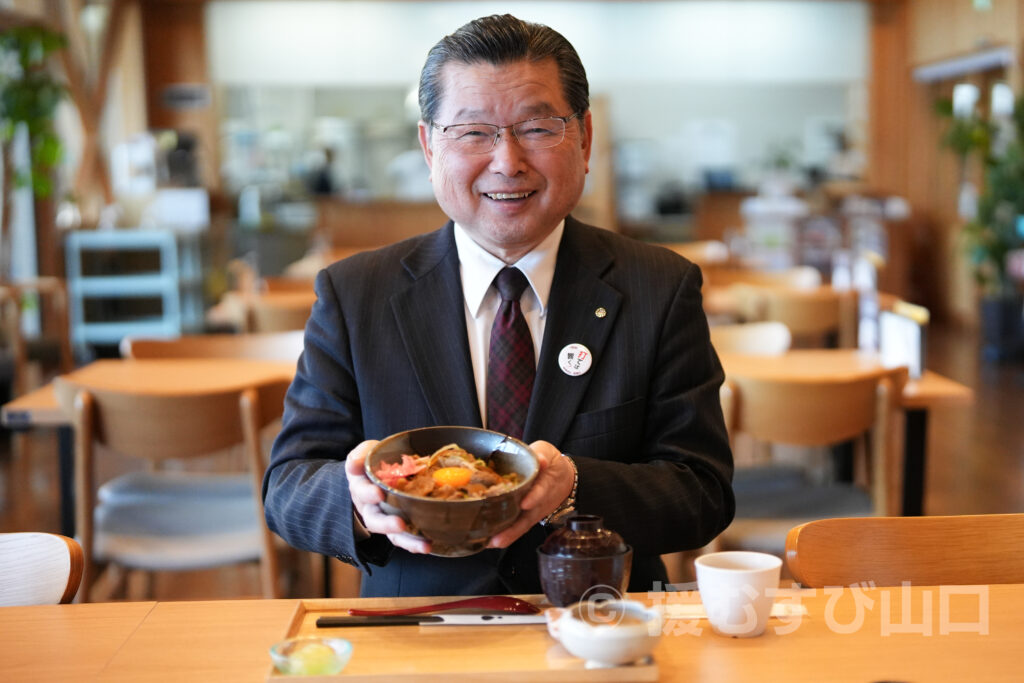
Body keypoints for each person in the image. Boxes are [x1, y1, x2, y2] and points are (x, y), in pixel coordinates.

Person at [263, 14, 734, 598]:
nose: (507, 161)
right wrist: (357, 500)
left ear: (584, 138)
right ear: (429, 145)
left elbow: (703, 493)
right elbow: (288, 487)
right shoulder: (356, 293)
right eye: (473, 132)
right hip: (419, 628)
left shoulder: (658, 287)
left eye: (537, 128)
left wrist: (575, 487)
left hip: (601, 620)